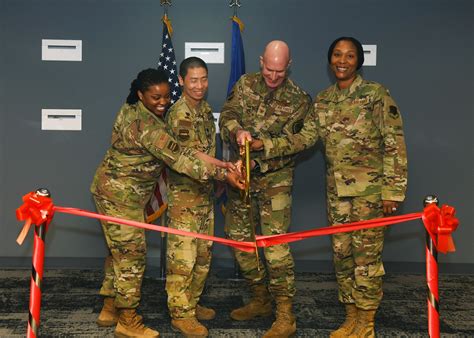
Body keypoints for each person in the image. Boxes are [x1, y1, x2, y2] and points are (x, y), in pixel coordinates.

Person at [90, 68, 243, 338]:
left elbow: (181, 149)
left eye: (165, 96)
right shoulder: (145, 126)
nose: (162, 102)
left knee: (119, 252)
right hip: (118, 196)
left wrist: (221, 164)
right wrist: (224, 175)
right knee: (131, 257)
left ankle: (110, 305)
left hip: (125, 194)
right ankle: (127, 320)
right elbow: (179, 160)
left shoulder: (141, 111)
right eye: (155, 98)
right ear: (140, 95)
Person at [219, 40, 316, 338]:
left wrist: (266, 145)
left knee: (274, 246)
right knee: (240, 241)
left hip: (276, 179)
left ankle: (285, 313)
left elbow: (306, 139)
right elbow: (227, 115)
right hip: (242, 176)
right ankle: (260, 298)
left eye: (279, 71)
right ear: (261, 61)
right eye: (268, 69)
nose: (273, 77)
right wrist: (238, 130)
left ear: (288, 66)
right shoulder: (245, 84)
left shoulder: (300, 99)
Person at [314, 37, 408, 338]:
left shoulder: (375, 94)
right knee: (342, 257)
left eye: (350, 55)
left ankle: (366, 324)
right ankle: (351, 318)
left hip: (370, 194)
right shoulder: (323, 99)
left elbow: (394, 143)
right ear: (330, 60)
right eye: (337, 55)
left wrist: (393, 191)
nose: (342, 60)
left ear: (359, 61)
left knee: (366, 261)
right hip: (337, 194)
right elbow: (304, 138)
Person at [164, 57, 218, 337]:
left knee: (202, 257)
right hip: (185, 200)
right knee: (182, 260)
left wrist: (219, 175)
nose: (199, 85)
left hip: (205, 197)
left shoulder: (207, 111)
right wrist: (224, 173)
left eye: (204, 79)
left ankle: (192, 304)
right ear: (182, 81)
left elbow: (208, 152)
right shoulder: (178, 114)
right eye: (193, 80)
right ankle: (180, 314)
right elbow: (188, 159)